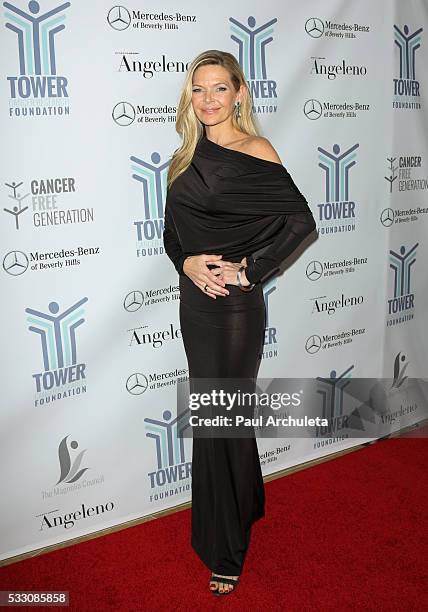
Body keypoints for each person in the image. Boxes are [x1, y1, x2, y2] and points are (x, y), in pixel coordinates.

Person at [163, 49, 316, 596]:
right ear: (190, 97)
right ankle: (246, 503)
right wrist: (185, 261)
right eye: (199, 89)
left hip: (232, 309)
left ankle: (225, 550)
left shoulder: (256, 151)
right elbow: (172, 234)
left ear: (240, 93)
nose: (209, 99)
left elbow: (301, 222)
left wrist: (252, 271)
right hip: (193, 304)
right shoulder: (184, 157)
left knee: (216, 418)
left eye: (219, 88)